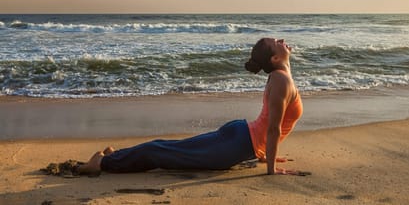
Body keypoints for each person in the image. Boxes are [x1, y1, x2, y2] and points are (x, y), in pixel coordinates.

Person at [78, 38, 303, 176]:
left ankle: (117, 156)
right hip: (237, 143)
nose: (282, 40)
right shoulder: (281, 79)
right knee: (163, 153)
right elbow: (272, 127)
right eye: (277, 42)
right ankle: (103, 162)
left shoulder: (281, 77)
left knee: (168, 148)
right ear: (274, 58)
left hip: (241, 138)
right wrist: (271, 168)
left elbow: (272, 124)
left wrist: (265, 154)